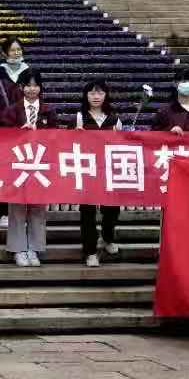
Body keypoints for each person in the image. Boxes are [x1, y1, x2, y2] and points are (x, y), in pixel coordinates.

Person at [4, 71, 57, 266]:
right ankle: (18, 249)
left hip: (40, 165)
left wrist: (40, 133)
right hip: (18, 165)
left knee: (38, 208)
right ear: (21, 87)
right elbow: (2, 136)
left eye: (35, 85)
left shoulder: (49, 111)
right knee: (17, 208)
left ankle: (35, 248)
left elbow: (55, 137)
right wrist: (19, 133)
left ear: (40, 88)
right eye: (28, 85)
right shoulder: (11, 110)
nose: (32, 89)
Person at [74, 79, 123, 267]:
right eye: (92, 93)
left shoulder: (114, 119)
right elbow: (68, 145)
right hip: (87, 171)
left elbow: (123, 145)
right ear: (86, 95)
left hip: (109, 170)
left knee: (112, 209)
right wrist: (74, 134)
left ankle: (107, 237)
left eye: (100, 92)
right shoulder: (79, 118)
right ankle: (90, 251)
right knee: (87, 213)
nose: (96, 96)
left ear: (106, 95)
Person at [0, 36, 33, 127]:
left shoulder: (30, 75)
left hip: (27, 125)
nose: (16, 53)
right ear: (4, 53)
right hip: (3, 126)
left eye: (19, 50)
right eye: (12, 50)